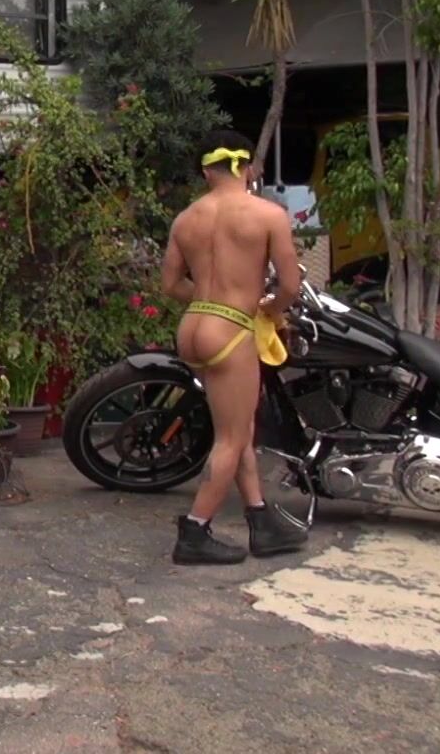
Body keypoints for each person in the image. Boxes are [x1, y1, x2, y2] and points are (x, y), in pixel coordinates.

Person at [159, 130, 310, 564]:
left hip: (193, 326)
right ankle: (195, 531)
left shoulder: (186, 218)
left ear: (207, 171)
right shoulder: (267, 214)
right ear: (247, 168)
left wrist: (211, 304)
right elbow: (289, 285)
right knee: (232, 437)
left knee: (236, 427)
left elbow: (170, 284)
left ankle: (261, 519)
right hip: (230, 331)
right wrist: (267, 310)